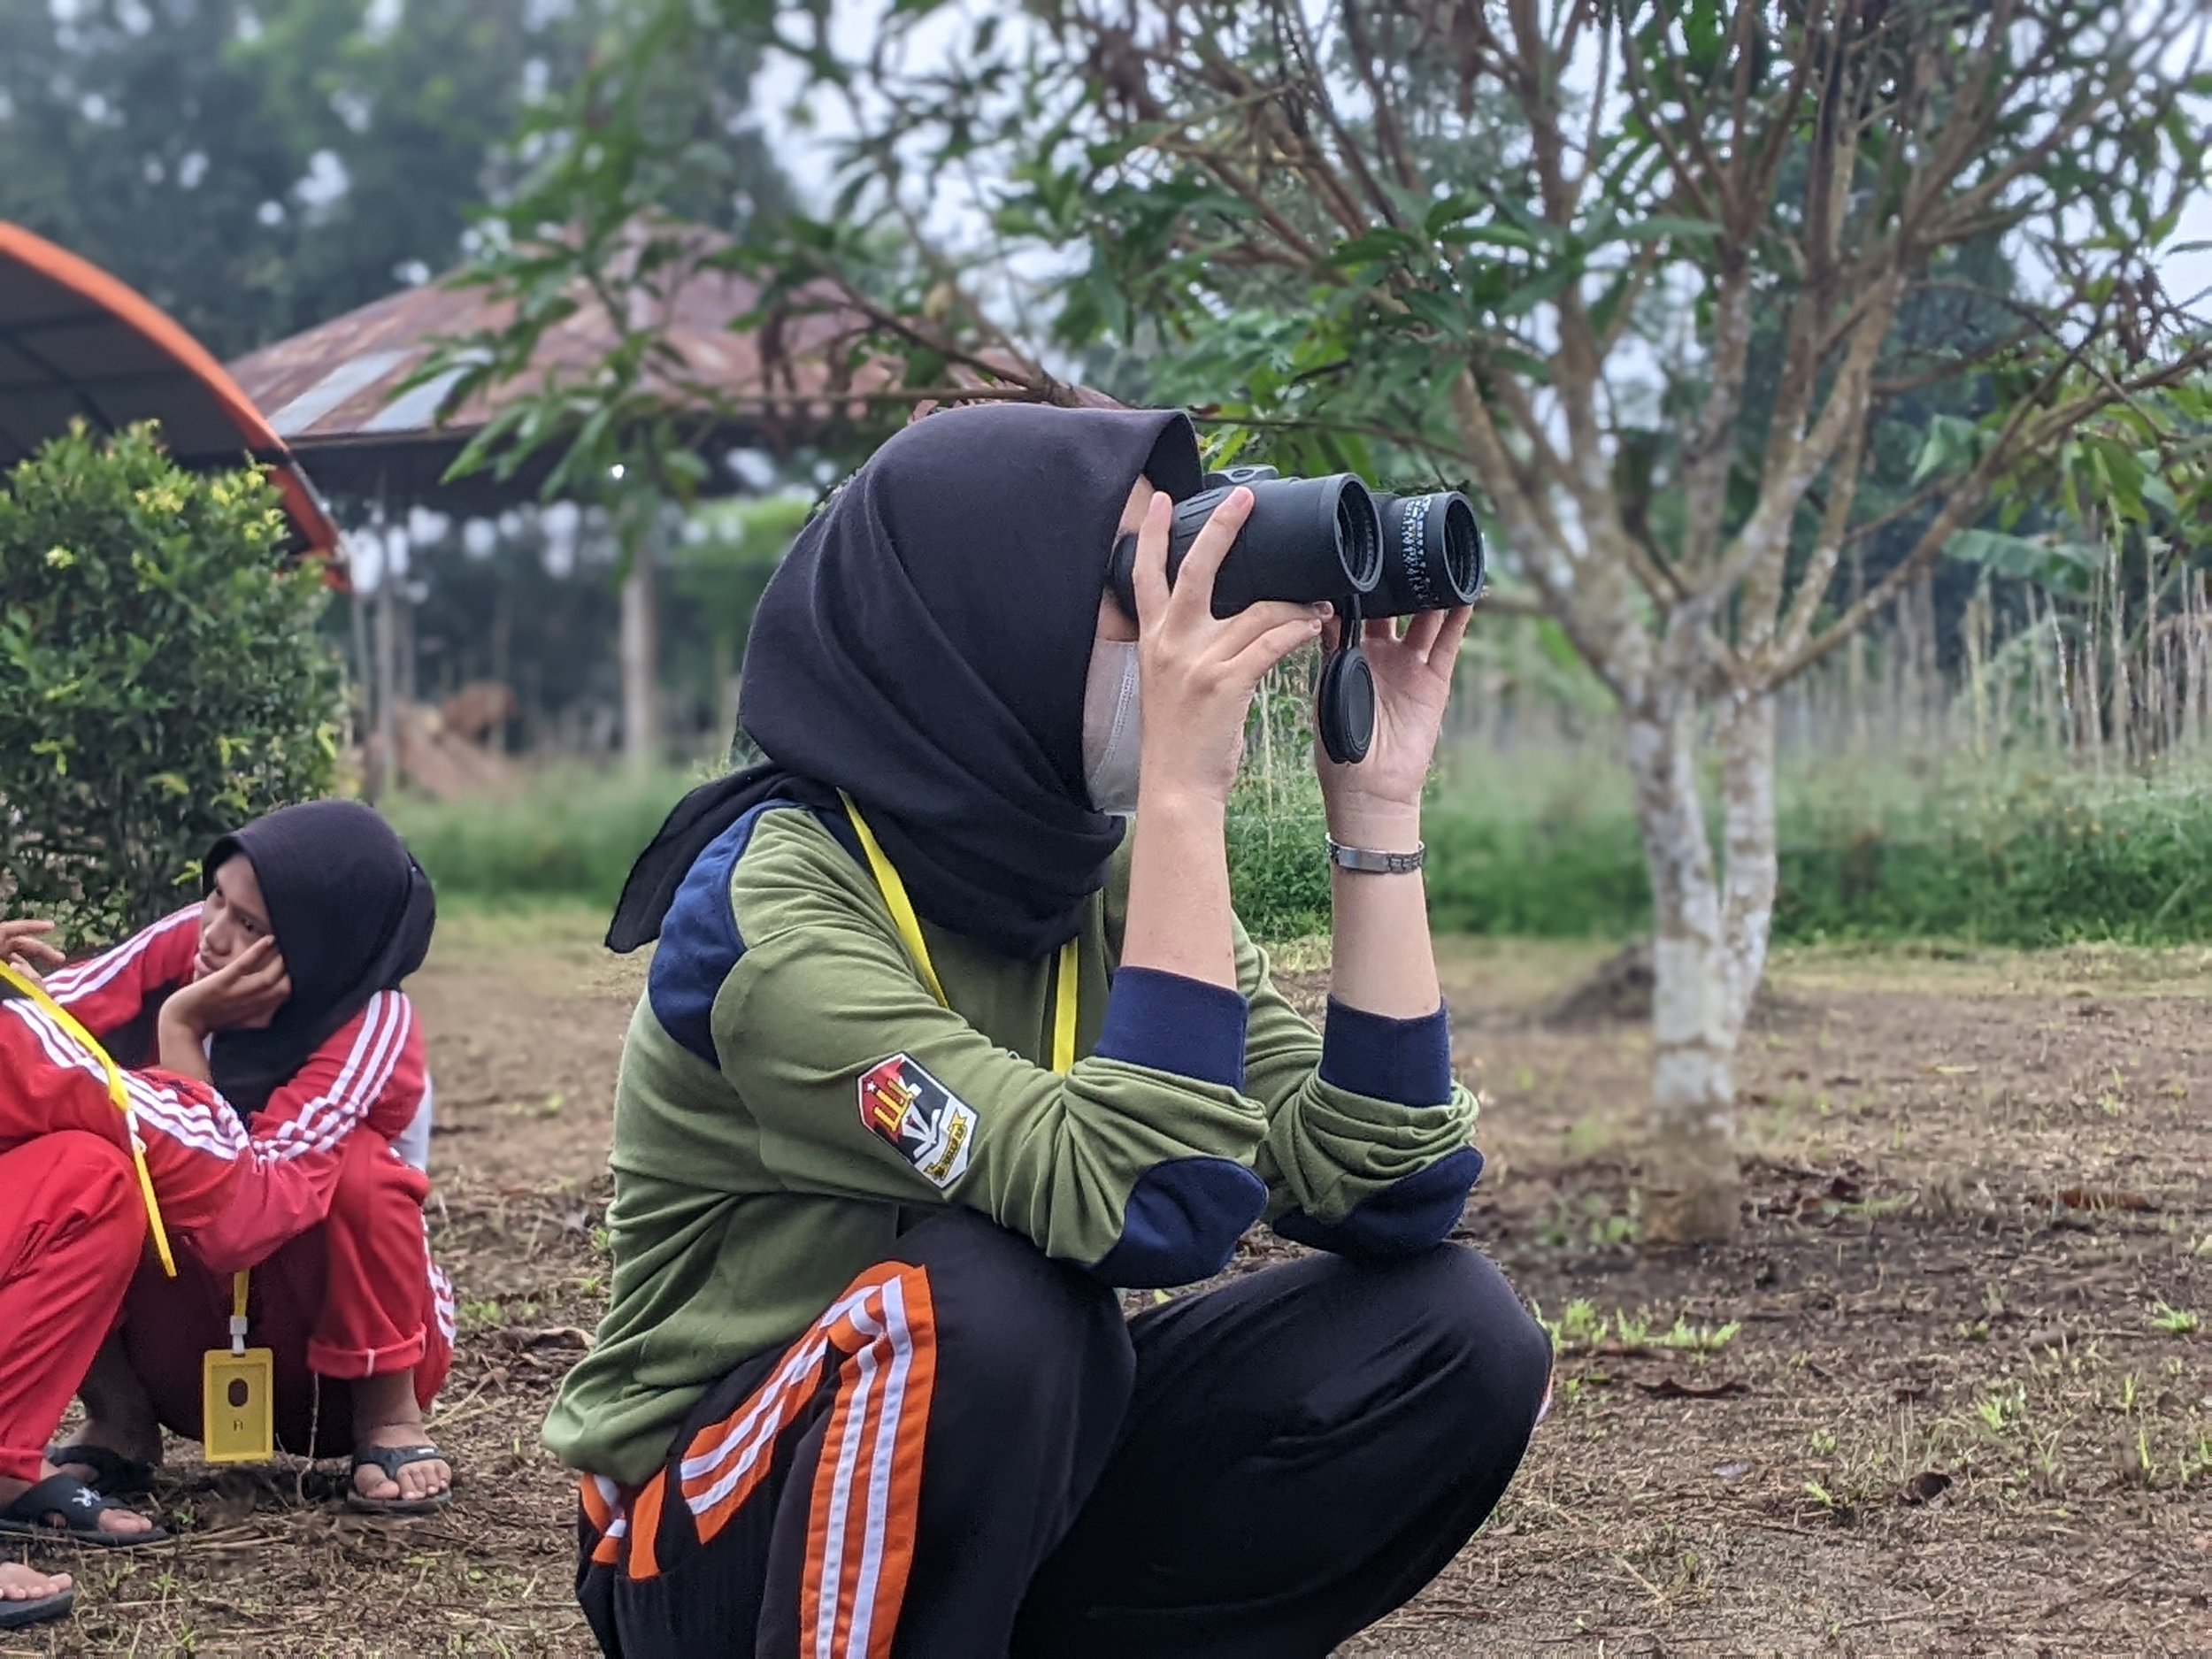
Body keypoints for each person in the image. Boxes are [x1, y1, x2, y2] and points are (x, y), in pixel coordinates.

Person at [549, 403, 1552, 1658]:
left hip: (993, 1470)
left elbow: (1388, 1191)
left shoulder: (1097, 875)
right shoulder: (771, 914)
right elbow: (1147, 1206)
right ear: (984, 620)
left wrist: (1379, 813)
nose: (1181, 634)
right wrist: (1183, 792)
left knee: (1453, 1338)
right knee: (1005, 1306)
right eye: (1139, 592)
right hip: (710, 1530)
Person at [33, 800, 457, 1516]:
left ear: (321, 946)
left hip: (328, 1370)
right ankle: (120, 1418)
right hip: (188, 1354)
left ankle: (390, 1421)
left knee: (362, 1175)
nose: (215, 934)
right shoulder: (193, 942)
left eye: (254, 926)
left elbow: (239, 1220)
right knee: (78, 1156)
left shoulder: (371, 1025)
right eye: (216, 897)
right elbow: (44, 1021)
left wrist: (181, 1029)